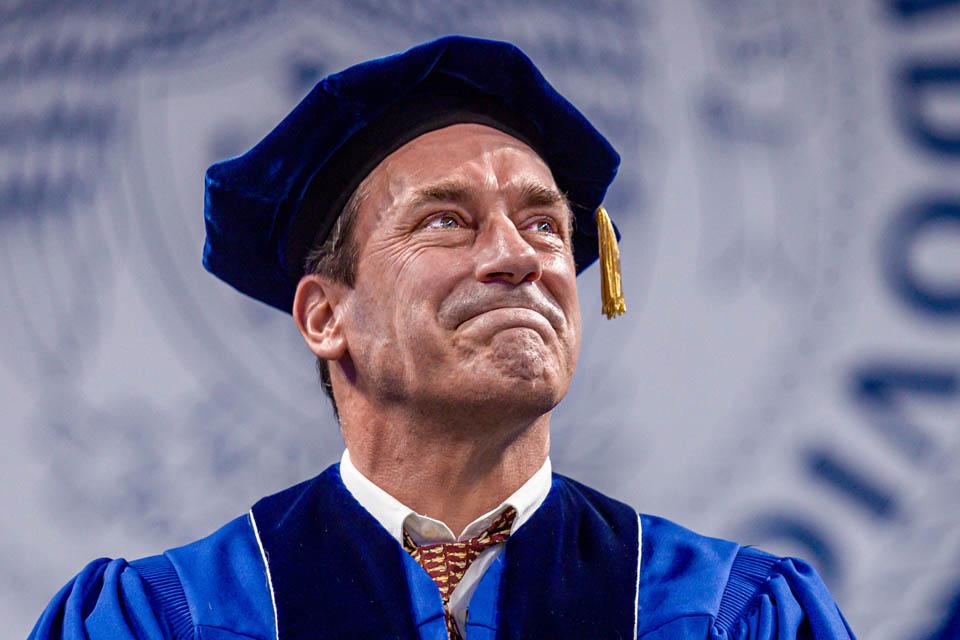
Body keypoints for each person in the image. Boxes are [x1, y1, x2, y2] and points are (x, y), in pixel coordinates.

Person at [29, 35, 855, 640]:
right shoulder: (170, 618)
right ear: (324, 317)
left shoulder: (727, 611)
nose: (517, 258)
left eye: (543, 224)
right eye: (448, 220)